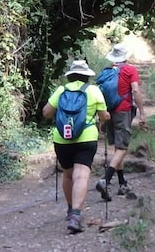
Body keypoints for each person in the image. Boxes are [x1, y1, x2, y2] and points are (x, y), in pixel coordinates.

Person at [42, 59, 110, 234]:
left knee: (67, 174)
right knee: (81, 176)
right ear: (87, 76)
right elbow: (104, 116)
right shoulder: (94, 91)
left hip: (62, 139)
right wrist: (105, 117)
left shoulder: (61, 90)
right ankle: (76, 216)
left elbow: (46, 113)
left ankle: (70, 209)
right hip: (86, 138)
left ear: (70, 76)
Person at [95, 43, 146, 200]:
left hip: (109, 111)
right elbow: (135, 90)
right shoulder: (130, 70)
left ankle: (122, 183)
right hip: (123, 111)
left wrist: (102, 117)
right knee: (122, 147)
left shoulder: (107, 72)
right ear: (126, 56)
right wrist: (142, 112)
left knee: (118, 147)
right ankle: (106, 179)